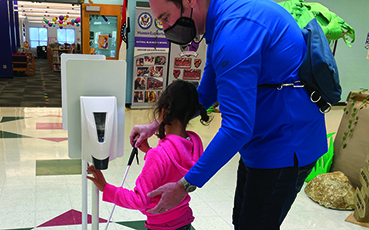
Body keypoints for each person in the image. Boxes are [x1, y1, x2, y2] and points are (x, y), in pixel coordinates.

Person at [130, 0, 327, 229]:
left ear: (189, 1)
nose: (165, 28)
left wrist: (184, 185)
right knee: (242, 221)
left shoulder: (235, 32)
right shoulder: (221, 24)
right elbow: (204, 95)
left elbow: (237, 128)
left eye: (165, 18)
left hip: (285, 146)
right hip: (260, 142)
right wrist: (157, 124)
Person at [87, 80, 211, 230]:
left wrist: (106, 188)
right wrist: (149, 152)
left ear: (164, 110)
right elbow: (173, 168)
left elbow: (139, 200)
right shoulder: (194, 142)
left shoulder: (159, 155)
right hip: (184, 220)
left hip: (160, 226)